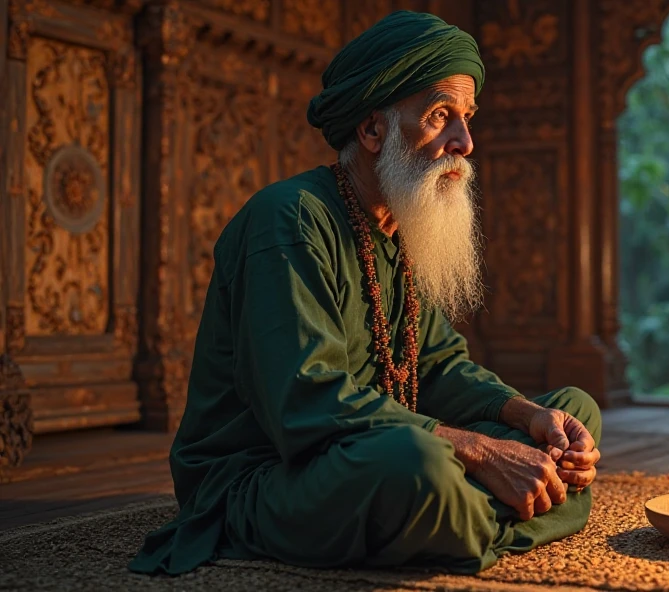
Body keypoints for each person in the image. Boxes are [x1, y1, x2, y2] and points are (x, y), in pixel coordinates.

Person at [129, 10, 602, 577]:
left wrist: (527, 418)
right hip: (269, 475)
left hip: (369, 450)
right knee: (419, 466)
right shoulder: (290, 219)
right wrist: (478, 452)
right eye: (439, 116)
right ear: (373, 130)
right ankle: (499, 515)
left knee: (573, 413)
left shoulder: (403, 224)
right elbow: (307, 401)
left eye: (467, 118)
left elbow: (438, 366)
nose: (465, 142)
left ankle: (457, 523)